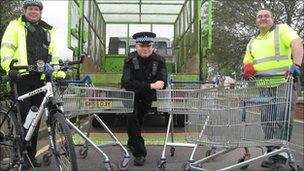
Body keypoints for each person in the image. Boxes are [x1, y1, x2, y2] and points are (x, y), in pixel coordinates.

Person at [0, 0, 58, 169]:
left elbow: (52, 55)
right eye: (30, 9)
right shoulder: (15, 26)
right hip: (22, 77)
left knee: (35, 119)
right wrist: (10, 68)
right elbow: (6, 50)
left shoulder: (47, 30)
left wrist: (57, 71)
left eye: (36, 9)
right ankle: (20, 154)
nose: (33, 11)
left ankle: (30, 156)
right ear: (25, 11)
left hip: (40, 79)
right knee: (25, 117)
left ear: (41, 12)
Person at [243, 8, 303, 169]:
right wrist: (248, 67)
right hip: (264, 86)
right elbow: (248, 59)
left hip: (284, 82)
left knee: (282, 117)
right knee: (267, 119)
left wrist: (296, 64)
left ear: (272, 19)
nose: (263, 18)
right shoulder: (252, 41)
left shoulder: (282, 30)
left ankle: (281, 155)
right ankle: (272, 152)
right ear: (256, 21)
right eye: (260, 16)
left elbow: (297, 43)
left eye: (266, 16)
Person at [121, 31, 167, 166]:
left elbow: (163, 83)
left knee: (138, 121)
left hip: (147, 97)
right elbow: (127, 84)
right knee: (132, 119)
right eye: (142, 46)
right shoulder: (129, 60)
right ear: (136, 46)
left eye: (148, 46)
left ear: (153, 47)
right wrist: (151, 85)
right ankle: (140, 153)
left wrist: (149, 86)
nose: (145, 49)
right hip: (130, 96)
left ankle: (131, 143)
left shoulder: (159, 61)